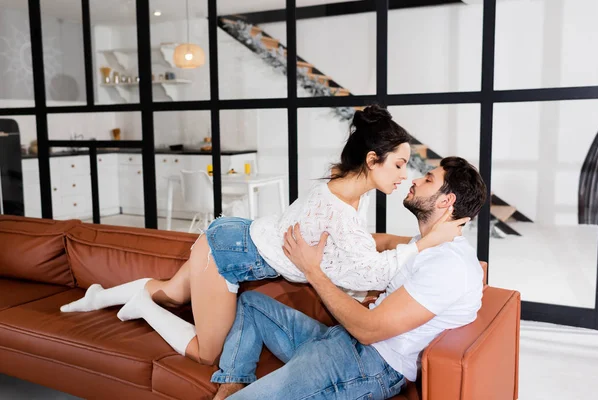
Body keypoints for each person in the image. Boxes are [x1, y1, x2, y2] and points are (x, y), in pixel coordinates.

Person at [59, 105, 467, 366]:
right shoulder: (337, 210)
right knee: (207, 353)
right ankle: (140, 307)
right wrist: (424, 242)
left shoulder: (346, 188)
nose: (404, 176)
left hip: (230, 235)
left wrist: (409, 243)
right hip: (227, 252)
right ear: (372, 160)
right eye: (398, 165)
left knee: (173, 291)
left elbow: (361, 247)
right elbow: (371, 275)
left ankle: (98, 296)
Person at [211, 157, 487, 400]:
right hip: (342, 339)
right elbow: (385, 242)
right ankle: (233, 380)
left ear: (445, 201)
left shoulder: (449, 265)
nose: (413, 179)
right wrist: (334, 231)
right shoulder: (428, 244)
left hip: (370, 364)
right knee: (251, 304)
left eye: (428, 179)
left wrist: (313, 271)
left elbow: (368, 331)